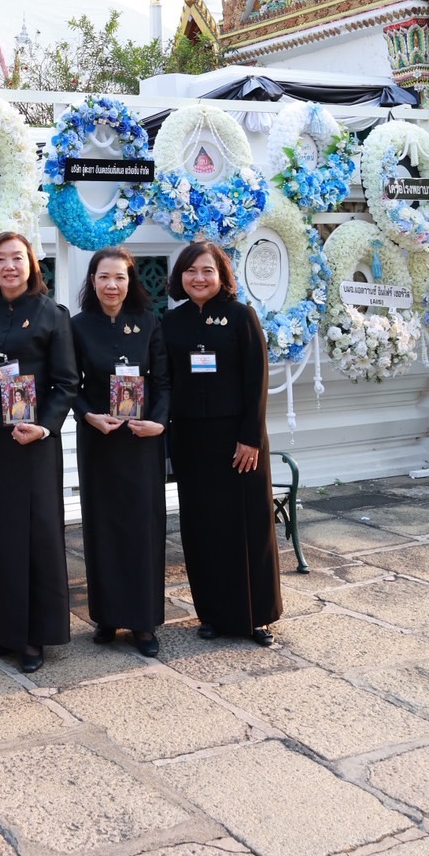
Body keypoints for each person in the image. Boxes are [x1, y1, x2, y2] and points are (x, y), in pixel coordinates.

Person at [0, 232, 78, 673]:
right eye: (1, 259)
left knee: (37, 533)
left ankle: (35, 636)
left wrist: (44, 426)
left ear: (31, 264)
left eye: (18, 258)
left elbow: (67, 382)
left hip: (36, 440)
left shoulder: (52, 314)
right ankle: (4, 630)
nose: (10, 267)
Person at [161, 240, 282, 645]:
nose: (199, 278)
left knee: (248, 525)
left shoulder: (241, 316)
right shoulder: (171, 322)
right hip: (192, 440)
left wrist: (250, 438)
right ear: (180, 276)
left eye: (207, 270)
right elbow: (165, 380)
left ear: (221, 275)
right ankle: (211, 614)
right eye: (191, 270)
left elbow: (257, 380)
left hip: (239, 442)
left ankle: (258, 616)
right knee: (202, 528)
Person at [71, 247, 170, 657]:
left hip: (142, 440)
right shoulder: (78, 326)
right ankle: (107, 617)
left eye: (120, 277)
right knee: (103, 526)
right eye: (104, 277)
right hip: (100, 439)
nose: (112, 285)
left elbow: (163, 381)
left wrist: (159, 422)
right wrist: (87, 416)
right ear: (92, 281)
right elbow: (69, 384)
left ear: (131, 282)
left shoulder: (148, 322)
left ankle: (144, 621)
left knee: (142, 527)